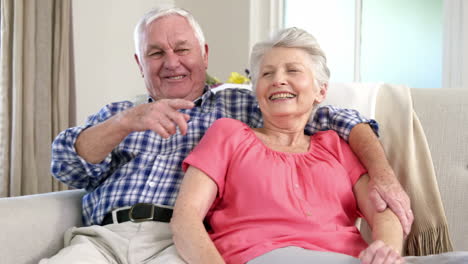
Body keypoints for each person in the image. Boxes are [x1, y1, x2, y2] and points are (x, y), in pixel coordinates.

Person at [45, 7, 411, 263]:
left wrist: (382, 174)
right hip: (105, 236)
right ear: (140, 63)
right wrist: (128, 121)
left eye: (182, 49)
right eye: (156, 53)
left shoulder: (240, 106)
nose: (171, 62)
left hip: (175, 242)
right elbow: (65, 163)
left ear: (204, 55)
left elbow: (333, 116)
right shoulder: (119, 116)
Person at [171, 27, 404, 264]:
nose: (278, 80)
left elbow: (383, 211)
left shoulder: (336, 146)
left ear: (320, 91)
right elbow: (185, 219)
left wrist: (386, 252)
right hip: (261, 256)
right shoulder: (228, 135)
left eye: (292, 70)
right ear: (257, 92)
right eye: (267, 74)